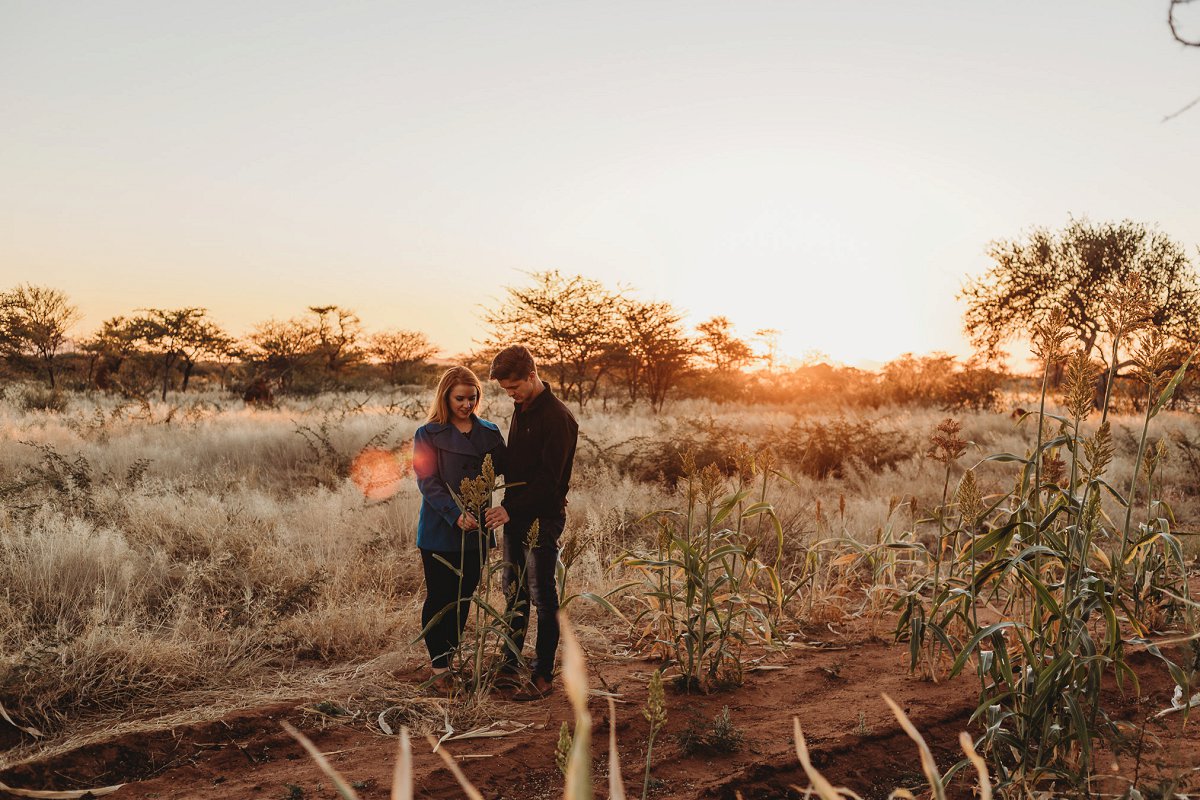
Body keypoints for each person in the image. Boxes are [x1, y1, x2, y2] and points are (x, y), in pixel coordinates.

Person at [483, 345, 578, 700]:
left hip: (544, 518)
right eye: (506, 390)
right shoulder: (521, 408)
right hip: (515, 515)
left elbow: (550, 482)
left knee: (542, 595)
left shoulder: (559, 418)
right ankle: (509, 663)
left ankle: (542, 674)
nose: (511, 395)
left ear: (532, 375)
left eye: (514, 387)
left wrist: (509, 509)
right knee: (513, 590)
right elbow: (519, 465)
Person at [412, 366, 506, 691]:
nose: (467, 404)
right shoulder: (427, 433)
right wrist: (455, 514)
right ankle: (439, 667)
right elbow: (427, 481)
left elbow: (509, 469)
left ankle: (451, 660)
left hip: (477, 531)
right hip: (440, 529)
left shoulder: (490, 432)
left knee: (465, 597)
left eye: (473, 397)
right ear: (446, 398)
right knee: (441, 597)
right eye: (460, 399)